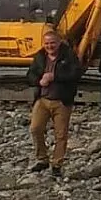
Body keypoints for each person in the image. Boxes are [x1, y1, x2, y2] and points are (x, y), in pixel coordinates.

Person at [26, 31, 83, 175]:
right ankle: (42, 159)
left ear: (59, 42)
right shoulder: (40, 56)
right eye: (47, 43)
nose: (49, 46)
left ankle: (57, 164)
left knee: (61, 134)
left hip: (62, 101)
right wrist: (39, 81)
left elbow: (76, 73)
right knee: (35, 128)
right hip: (42, 100)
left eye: (52, 43)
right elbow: (30, 74)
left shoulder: (69, 56)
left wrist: (55, 76)